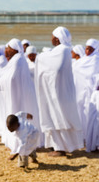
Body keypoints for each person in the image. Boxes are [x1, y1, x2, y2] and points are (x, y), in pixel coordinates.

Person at [35, 26, 84, 157]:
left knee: (59, 118)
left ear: (57, 39)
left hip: (58, 93)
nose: (50, 39)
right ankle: (59, 146)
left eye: (52, 36)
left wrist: (40, 57)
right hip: (59, 91)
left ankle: (61, 148)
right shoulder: (65, 50)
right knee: (56, 117)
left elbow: (55, 68)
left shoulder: (62, 51)